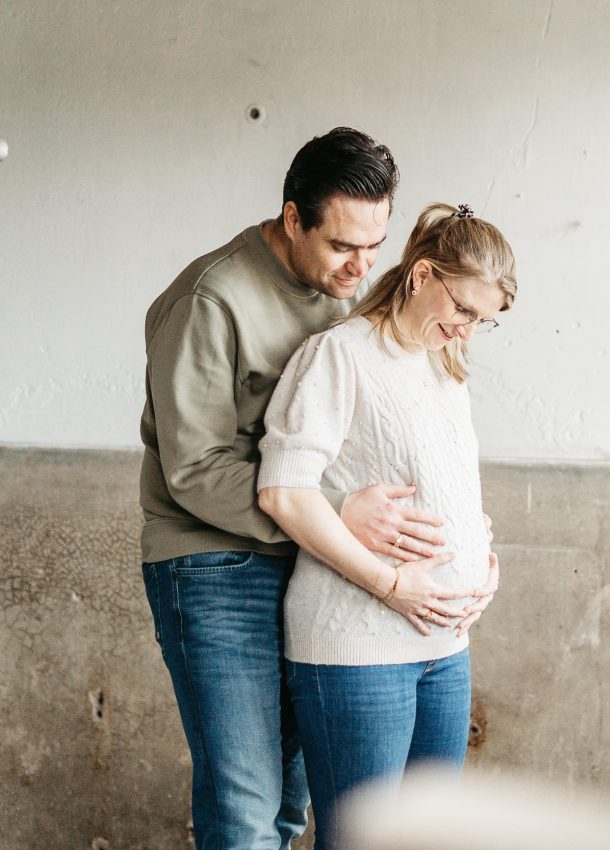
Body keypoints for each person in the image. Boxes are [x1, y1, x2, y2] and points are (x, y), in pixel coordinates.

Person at [139, 129, 498, 850]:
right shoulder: (211, 301)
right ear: (292, 217)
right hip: (215, 563)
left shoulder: (352, 295)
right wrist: (336, 515)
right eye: (342, 247)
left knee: (291, 804)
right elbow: (195, 468)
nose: (363, 267)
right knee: (246, 805)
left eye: (376, 246)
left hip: (314, 562)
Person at [257, 202, 517, 850]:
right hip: (359, 649)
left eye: (484, 321)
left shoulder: (442, 367)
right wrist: (390, 584)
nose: (466, 332)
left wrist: (484, 558)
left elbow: (449, 488)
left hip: (444, 645)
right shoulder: (338, 357)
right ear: (421, 274)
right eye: (463, 309)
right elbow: (284, 494)